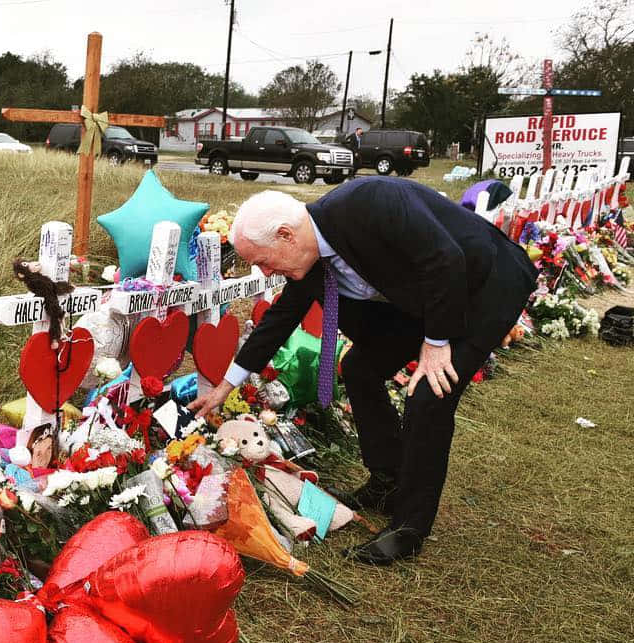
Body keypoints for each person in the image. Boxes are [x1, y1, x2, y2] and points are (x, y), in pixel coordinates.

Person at [190, 180, 536, 565]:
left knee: (429, 392)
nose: (264, 271)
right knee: (359, 368)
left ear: (286, 235)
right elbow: (281, 318)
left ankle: (409, 527)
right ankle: (387, 481)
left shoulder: (371, 203)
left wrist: (437, 343)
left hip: (485, 281)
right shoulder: (310, 258)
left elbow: (444, 258)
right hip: (426, 296)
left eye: (262, 260)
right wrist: (225, 386)